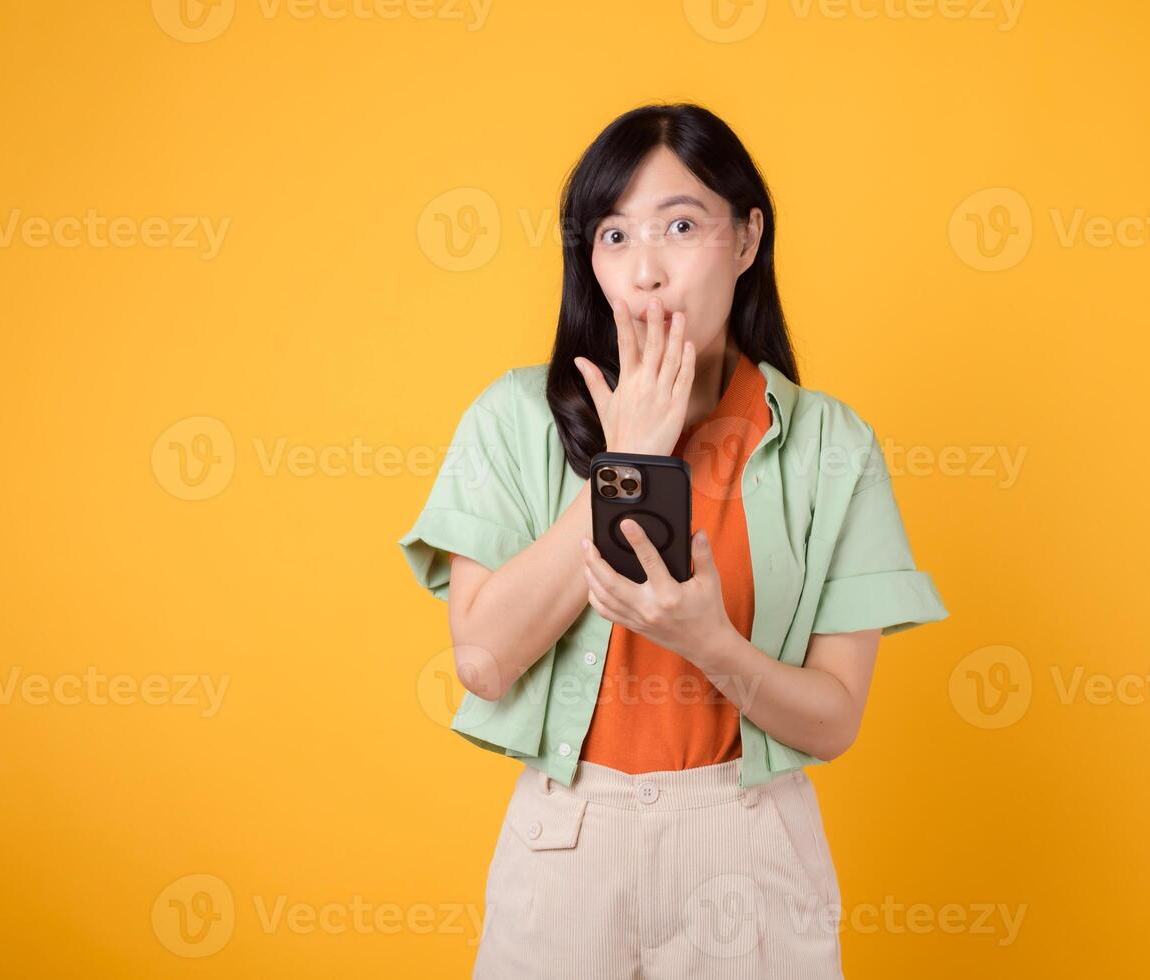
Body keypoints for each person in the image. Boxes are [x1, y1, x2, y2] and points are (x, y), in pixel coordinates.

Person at [398, 102, 949, 979]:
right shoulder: (512, 418)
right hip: (569, 841)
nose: (644, 272)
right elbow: (485, 661)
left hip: (749, 841)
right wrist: (626, 462)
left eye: (680, 227)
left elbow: (836, 717)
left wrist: (710, 644)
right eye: (613, 238)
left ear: (746, 239)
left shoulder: (830, 447)